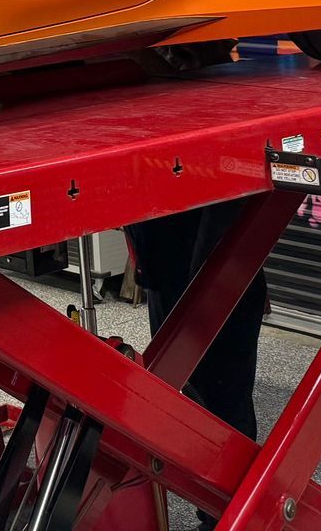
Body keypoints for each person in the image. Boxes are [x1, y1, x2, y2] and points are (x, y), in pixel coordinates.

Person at [124, 201, 269, 528]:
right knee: (185, 396)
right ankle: (211, 502)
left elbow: (228, 215)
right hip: (167, 276)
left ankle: (225, 514)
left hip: (219, 283)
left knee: (223, 404)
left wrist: (208, 288)